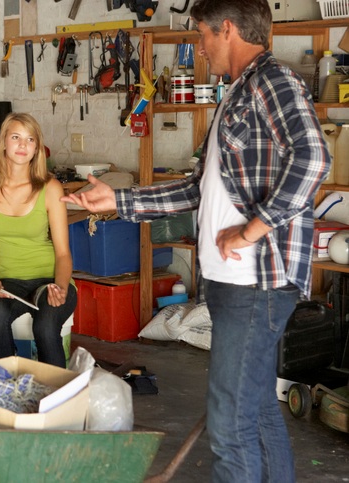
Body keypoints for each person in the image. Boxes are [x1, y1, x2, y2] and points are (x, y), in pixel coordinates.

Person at [62, 1, 330, 481]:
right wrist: (118, 201)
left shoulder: (272, 81)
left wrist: (254, 227)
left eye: (201, 35)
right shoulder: (238, 93)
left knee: (229, 427)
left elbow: (313, 158)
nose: (199, 48)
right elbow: (195, 188)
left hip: (256, 283)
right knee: (257, 411)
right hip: (235, 283)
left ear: (226, 29)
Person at [0, 112, 77, 367]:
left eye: (30, 140)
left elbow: (62, 253)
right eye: (16, 137)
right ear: (3, 142)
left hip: (50, 279)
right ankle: (7, 390)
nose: (23, 145)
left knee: (46, 326)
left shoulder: (50, 188)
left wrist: (60, 286)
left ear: (37, 148)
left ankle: (57, 398)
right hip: (8, 281)